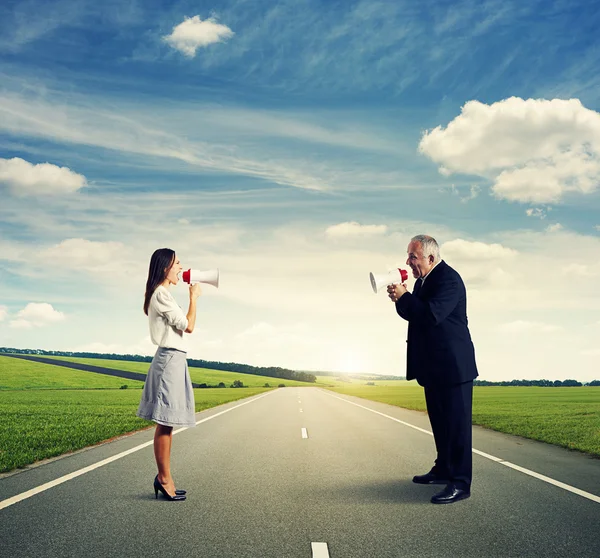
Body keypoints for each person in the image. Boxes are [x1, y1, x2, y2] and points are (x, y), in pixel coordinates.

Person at [387, 235, 478, 504]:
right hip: (434, 367)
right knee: (440, 424)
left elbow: (430, 315)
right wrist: (400, 300)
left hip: (453, 368)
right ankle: (443, 469)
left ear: (430, 257)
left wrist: (405, 297)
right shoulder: (421, 281)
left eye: (412, 257)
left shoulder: (449, 279)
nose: (407, 262)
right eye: (408, 256)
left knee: (457, 428)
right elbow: (413, 314)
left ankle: (460, 483)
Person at [137, 248, 201, 501]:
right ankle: (164, 478)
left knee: (168, 422)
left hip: (175, 359)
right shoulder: (161, 295)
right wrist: (194, 297)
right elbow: (189, 326)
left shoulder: (165, 295)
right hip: (169, 359)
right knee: (165, 421)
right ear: (165, 267)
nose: (181, 267)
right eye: (177, 263)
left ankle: (165, 477)